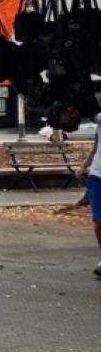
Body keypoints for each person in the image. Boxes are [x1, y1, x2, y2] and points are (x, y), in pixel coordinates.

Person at [67, 114, 101, 279]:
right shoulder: (100, 123)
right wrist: (83, 167)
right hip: (97, 176)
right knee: (98, 221)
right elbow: (95, 149)